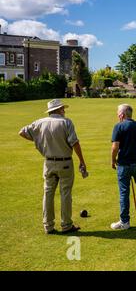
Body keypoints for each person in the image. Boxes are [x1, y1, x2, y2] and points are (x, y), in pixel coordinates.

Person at [19, 99, 87, 234]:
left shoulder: (39, 122)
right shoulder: (66, 122)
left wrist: (38, 141)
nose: (64, 111)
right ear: (59, 110)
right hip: (65, 163)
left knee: (48, 193)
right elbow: (74, 143)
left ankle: (48, 226)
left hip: (48, 162)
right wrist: (82, 161)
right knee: (65, 193)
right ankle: (66, 225)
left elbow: (22, 132)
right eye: (63, 109)